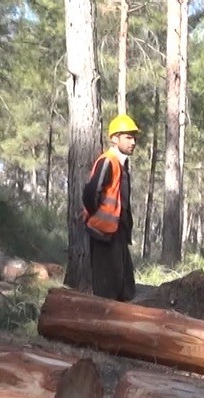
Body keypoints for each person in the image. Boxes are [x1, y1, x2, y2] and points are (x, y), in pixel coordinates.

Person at [82, 115, 140, 302]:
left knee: (124, 287)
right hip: (103, 234)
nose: (133, 141)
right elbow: (91, 192)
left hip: (117, 233)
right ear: (115, 138)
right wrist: (95, 218)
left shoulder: (121, 165)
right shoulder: (108, 161)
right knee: (106, 290)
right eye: (128, 137)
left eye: (134, 137)